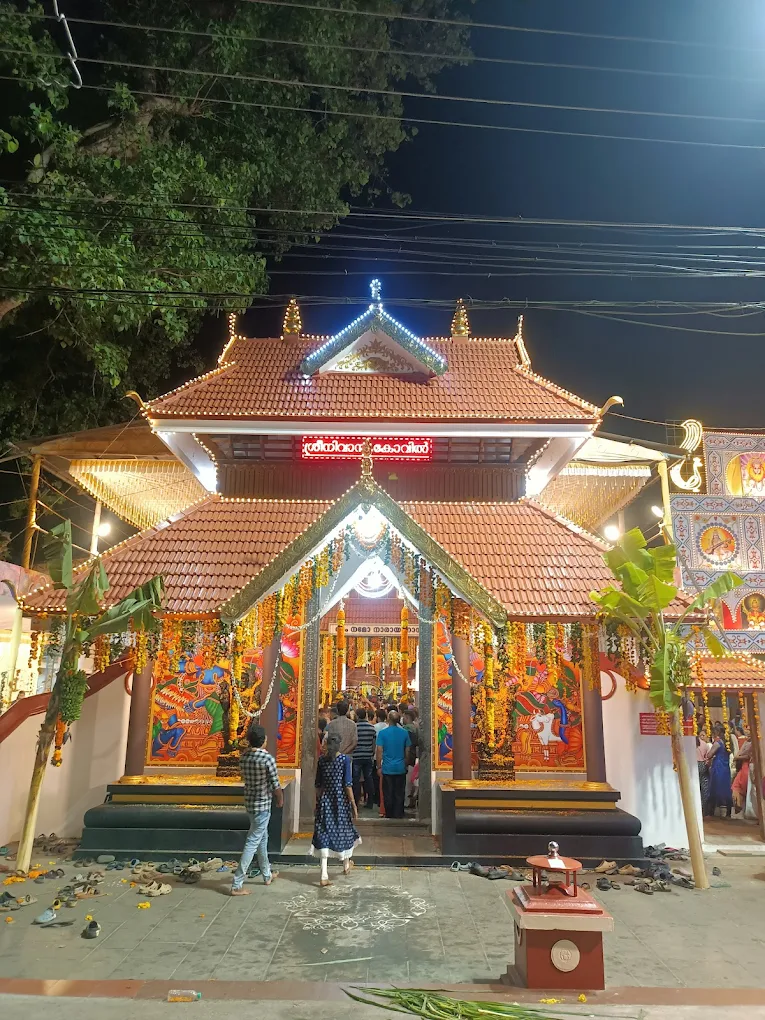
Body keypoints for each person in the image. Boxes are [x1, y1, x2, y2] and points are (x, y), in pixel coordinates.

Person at [231, 724, 282, 894]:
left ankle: (267, 875)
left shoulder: (244, 757)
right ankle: (237, 883)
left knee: (262, 838)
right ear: (264, 740)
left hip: (250, 803)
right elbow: (276, 784)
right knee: (253, 841)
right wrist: (280, 799)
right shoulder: (267, 759)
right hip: (263, 804)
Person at [312, 731, 360, 886]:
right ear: (339, 744)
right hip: (340, 801)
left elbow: (318, 785)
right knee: (344, 830)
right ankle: (346, 864)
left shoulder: (321, 760)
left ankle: (324, 874)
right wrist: (353, 804)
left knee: (324, 832)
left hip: (325, 801)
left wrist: (318, 802)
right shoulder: (344, 760)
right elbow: (347, 784)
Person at [376, 710, 411, 819]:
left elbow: (379, 751)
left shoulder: (382, 733)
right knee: (399, 793)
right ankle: (399, 813)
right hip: (400, 767)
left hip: (387, 767)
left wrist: (379, 766)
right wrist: (405, 763)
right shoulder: (404, 732)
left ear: (388, 719)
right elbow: (408, 750)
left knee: (388, 793)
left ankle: (389, 814)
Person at [705, 721, 733, 818]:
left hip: (718, 766)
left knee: (714, 786)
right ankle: (728, 811)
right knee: (725, 787)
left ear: (717, 732)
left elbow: (709, 755)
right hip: (725, 767)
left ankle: (711, 812)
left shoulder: (717, 743)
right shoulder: (728, 743)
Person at [352, 707, 377, 808]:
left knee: (356, 779)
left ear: (357, 716)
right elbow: (374, 743)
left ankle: (356, 801)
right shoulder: (371, 728)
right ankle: (370, 801)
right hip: (368, 756)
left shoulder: (354, 727)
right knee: (369, 778)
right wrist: (371, 753)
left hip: (356, 756)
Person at [401, 709, 419, 810]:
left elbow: (406, 746)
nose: (402, 718)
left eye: (404, 717)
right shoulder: (416, 727)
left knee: (407, 783)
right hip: (414, 757)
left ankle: (407, 802)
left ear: (407, 718)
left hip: (408, 757)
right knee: (412, 782)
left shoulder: (406, 730)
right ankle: (412, 800)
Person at [732, 728, 752, 814]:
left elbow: (748, 756)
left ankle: (741, 806)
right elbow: (739, 753)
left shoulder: (754, 743)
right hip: (743, 766)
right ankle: (738, 805)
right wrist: (738, 756)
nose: (747, 731)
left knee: (744, 787)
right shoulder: (746, 742)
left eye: (749, 730)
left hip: (748, 766)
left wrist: (737, 757)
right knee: (735, 786)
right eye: (747, 730)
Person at [696, 729, 711, 810]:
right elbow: (708, 757)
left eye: (703, 735)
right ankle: (703, 808)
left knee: (696, 786)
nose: (702, 737)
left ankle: (698, 807)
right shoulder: (705, 744)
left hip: (695, 765)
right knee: (704, 787)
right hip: (703, 765)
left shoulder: (692, 744)